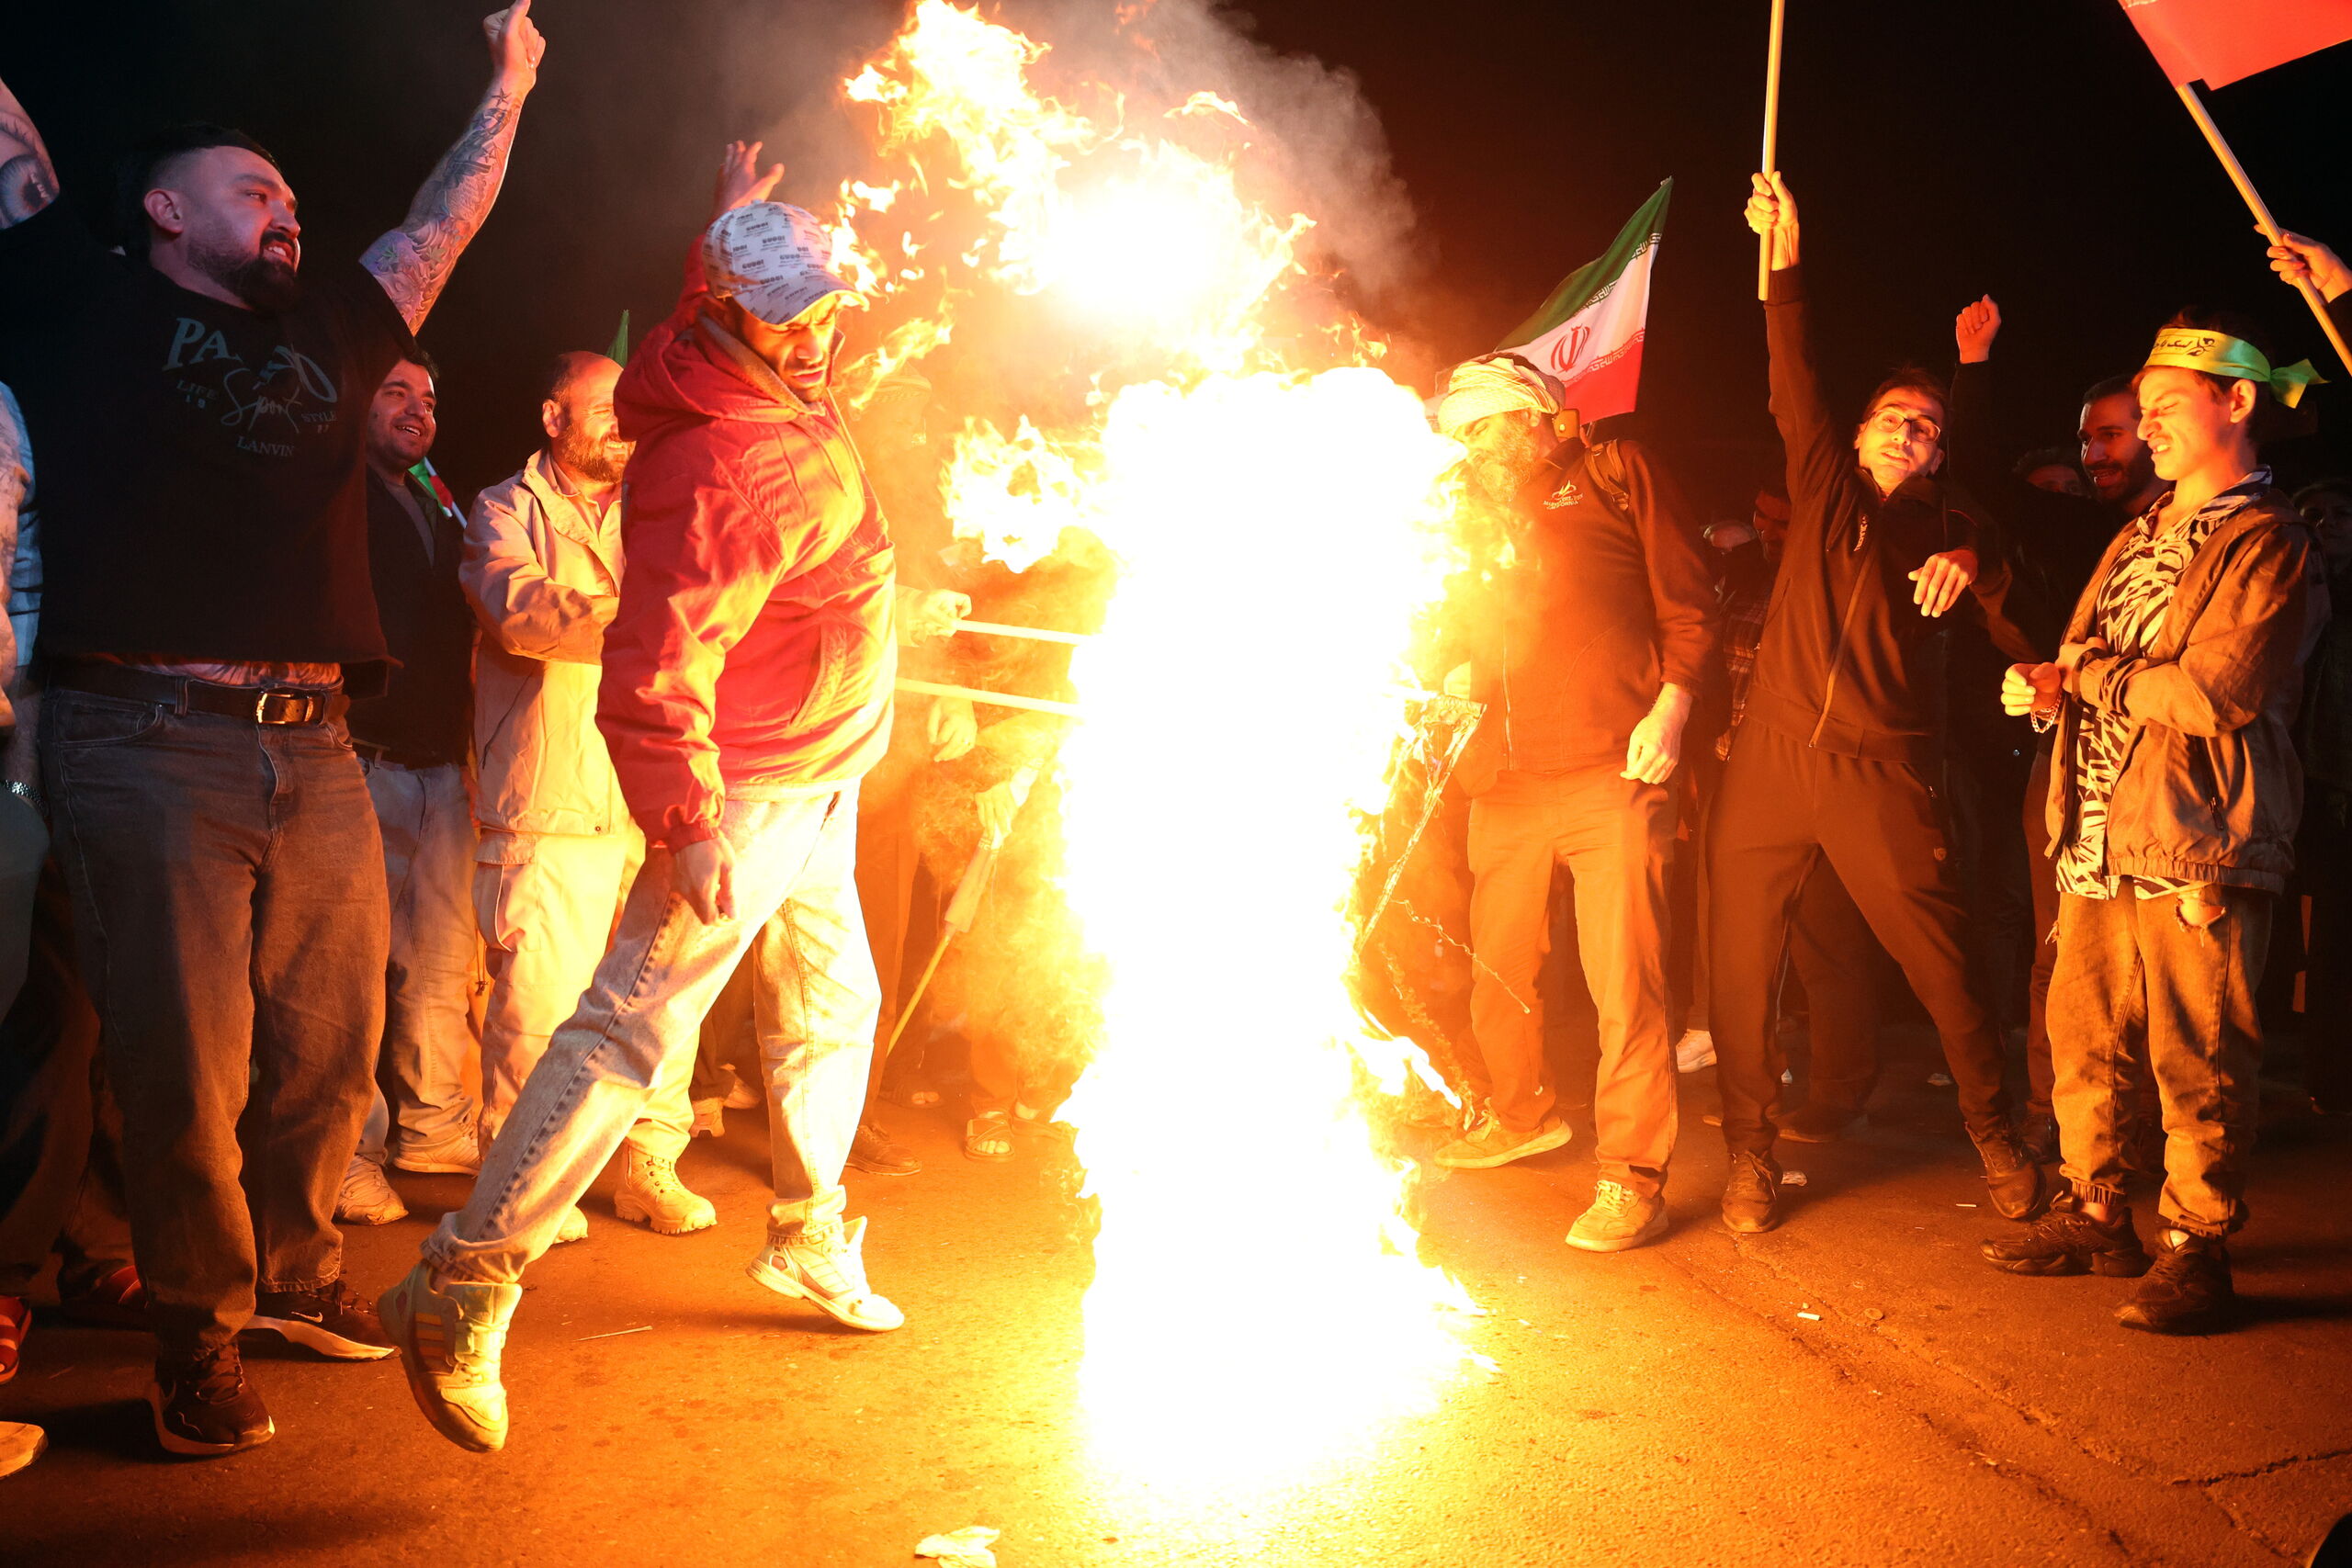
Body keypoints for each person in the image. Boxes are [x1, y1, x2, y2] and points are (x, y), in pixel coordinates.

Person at [0, 2, 547, 1457]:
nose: (288, 208)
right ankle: (196, 1328)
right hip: (144, 726)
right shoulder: (85, 301)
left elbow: (444, 224)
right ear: (168, 213)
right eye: (256, 190)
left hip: (314, 741)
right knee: (188, 1057)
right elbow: (14, 153)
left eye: (294, 195)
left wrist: (509, 89)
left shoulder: (338, 327)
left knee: (331, 1036)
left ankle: (300, 1272)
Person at [379, 153, 966, 1454]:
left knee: (835, 998)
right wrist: (691, 820)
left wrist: (727, 199)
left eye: (826, 302)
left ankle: (808, 1235)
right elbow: (653, 667)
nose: (820, 330)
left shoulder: (768, 367)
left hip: (826, 774)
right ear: (725, 313)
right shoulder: (713, 464)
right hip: (752, 790)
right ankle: (463, 1277)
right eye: (790, 308)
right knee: (631, 1025)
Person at [1984, 310, 2326, 1335]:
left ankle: (2197, 1246)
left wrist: (2084, 672)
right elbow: (2096, 661)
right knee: (2082, 1035)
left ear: (2239, 404)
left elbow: (2209, 696)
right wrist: (2049, 687)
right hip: (2094, 824)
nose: (2148, 427)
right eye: (2144, 411)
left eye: (2167, 407)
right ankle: (2098, 1212)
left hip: (2197, 833)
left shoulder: (2268, 540)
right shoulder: (2137, 534)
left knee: (2200, 1048)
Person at [1714, 173, 2043, 1235]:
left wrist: (1971, 551)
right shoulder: (1819, 488)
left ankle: (1998, 1135)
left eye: (1928, 427)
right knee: (1737, 963)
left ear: (1941, 455)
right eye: (1893, 418)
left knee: (1943, 966)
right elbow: (1791, 372)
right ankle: (1749, 1157)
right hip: (1770, 760)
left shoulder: (1948, 525)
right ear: (1857, 437)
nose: (1909, 431)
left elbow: (2006, 571)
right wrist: (1783, 263)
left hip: (1880, 767)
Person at [1428, 354, 1716, 1254]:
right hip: (1504, 783)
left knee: (1624, 983)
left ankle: (1633, 1180)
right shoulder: (1468, 517)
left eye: (1479, 427)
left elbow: (1690, 602)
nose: (1468, 448)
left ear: (1528, 416)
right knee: (1499, 972)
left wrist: (1672, 706)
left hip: (1610, 774)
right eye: (1457, 435)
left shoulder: (1610, 475)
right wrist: (1454, 671)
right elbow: (1473, 631)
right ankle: (1520, 1116)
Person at [465, 348, 713, 1237]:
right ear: (552, 417)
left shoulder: (659, 503)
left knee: (663, 995)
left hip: (650, 791)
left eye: (626, 406)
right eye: (600, 405)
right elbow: (519, 611)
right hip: (552, 793)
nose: (619, 420)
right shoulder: (504, 508)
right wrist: (649, 628)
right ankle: (513, 1182)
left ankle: (648, 1164)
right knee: (539, 1002)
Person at [1948, 302, 2171, 1161]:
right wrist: (1974, 365)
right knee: (2061, 945)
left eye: (2113, 434)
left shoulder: (2205, 533)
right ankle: (2064, 1119)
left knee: (2156, 958)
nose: (2097, 453)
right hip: (2070, 757)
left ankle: (2150, 1131)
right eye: (2087, 440)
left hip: (2165, 768)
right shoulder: (2084, 530)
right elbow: (1983, 482)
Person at [340, 355, 483, 1228]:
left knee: (437, 956)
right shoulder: (336, 495)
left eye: (428, 397)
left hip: (438, 760)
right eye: (394, 392)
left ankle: (432, 1127)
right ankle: (349, 1151)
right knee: (351, 970)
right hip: (360, 756)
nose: (416, 410)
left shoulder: (437, 498)